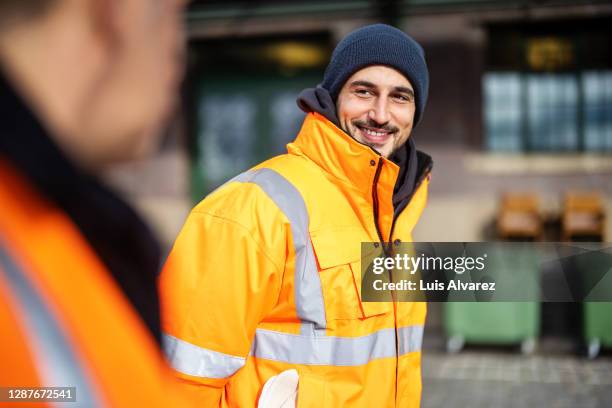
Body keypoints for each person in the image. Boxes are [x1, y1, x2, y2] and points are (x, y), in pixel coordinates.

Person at [160, 24, 433, 407]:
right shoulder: (249, 209)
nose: (380, 114)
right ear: (334, 95)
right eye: (364, 91)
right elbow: (178, 382)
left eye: (400, 97)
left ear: (415, 111)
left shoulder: (396, 213)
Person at [0, 0, 191, 406]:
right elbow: (205, 358)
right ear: (121, 11)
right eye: (176, 15)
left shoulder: (63, 225)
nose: (179, 54)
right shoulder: (256, 211)